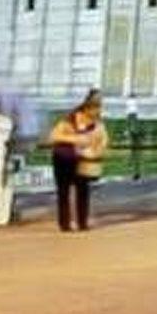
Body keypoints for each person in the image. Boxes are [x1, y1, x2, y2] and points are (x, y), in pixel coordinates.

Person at [47, 90, 109, 232]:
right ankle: (65, 224)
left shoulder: (97, 124)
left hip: (83, 160)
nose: (96, 115)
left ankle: (82, 222)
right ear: (85, 110)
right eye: (94, 111)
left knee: (83, 190)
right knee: (63, 191)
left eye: (98, 111)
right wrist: (75, 139)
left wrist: (98, 150)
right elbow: (53, 136)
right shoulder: (69, 120)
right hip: (63, 157)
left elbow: (104, 139)